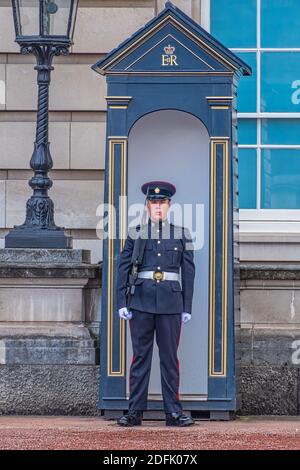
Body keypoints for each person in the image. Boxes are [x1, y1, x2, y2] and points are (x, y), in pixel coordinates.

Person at [116, 180, 195, 427]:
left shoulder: (182, 234)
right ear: (147, 206)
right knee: (140, 357)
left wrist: (187, 307)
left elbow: (189, 272)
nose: (158, 206)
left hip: (171, 302)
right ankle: (134, 411)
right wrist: (121, 301)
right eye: (153, 202)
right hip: (141, 300)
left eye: (162, 202)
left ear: (169, 205)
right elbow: (123, 268)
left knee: (169, 359)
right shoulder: (135, 232)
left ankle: (173, 412)